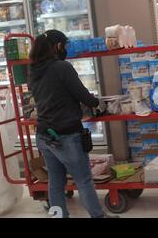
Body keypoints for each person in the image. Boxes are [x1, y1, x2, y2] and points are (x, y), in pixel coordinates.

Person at [29, 30, 110, 218]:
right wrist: (99, 104)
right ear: (57, 46)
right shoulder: (62, 67)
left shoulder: (33, 69)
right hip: (65, 135)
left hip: (44, 135)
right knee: (84, 180)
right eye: (64, 45)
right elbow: (83, 95)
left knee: (56, 183)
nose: (65, 49)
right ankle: (98, 216)